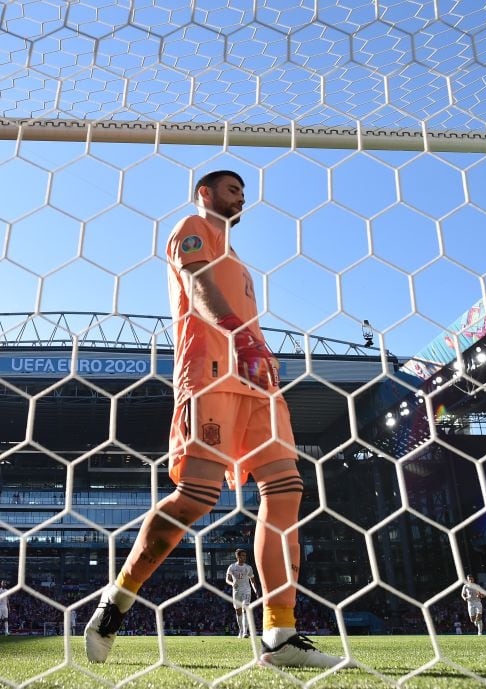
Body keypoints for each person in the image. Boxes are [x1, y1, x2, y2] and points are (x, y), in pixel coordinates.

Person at [84, 170, 343, 669]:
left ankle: (281, 635)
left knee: (286, 489)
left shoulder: (240, 260)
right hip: (211, 374)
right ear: (205, 193)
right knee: (197, 498)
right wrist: (241, 339)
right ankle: (116, 601)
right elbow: (199, 287)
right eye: (231, 189)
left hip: (258, 383)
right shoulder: (190, 228)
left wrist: (260, 353)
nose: (241, 196)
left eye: (244, 191)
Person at [225, 549, 258, 639]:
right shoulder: (232, 567)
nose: (244, 557)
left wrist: (255, 591)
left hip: (246, 590)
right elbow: (227, 579)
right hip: (236, 592)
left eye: (245, 555)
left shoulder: (248, 568)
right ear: (238, 556)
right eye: (242, 555)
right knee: (238, 612)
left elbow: (252, 581)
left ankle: (245, 632)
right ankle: (240, 630)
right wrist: (232, 583)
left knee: (245, 609)